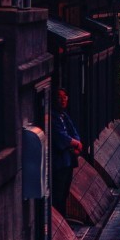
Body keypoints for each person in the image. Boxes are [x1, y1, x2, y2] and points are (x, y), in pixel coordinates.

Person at [51, 88, 82, 216]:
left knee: (64, 192)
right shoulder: (53, 116)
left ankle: (63, 217)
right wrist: (75, 143)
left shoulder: (64, 115)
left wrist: (77, 142)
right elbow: (60, 137)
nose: (63, 100)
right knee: (58, 193)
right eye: (59, 97)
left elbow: (73, 131)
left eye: (65, 97)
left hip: (68, 160)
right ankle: (60, 217)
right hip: (59, 161)